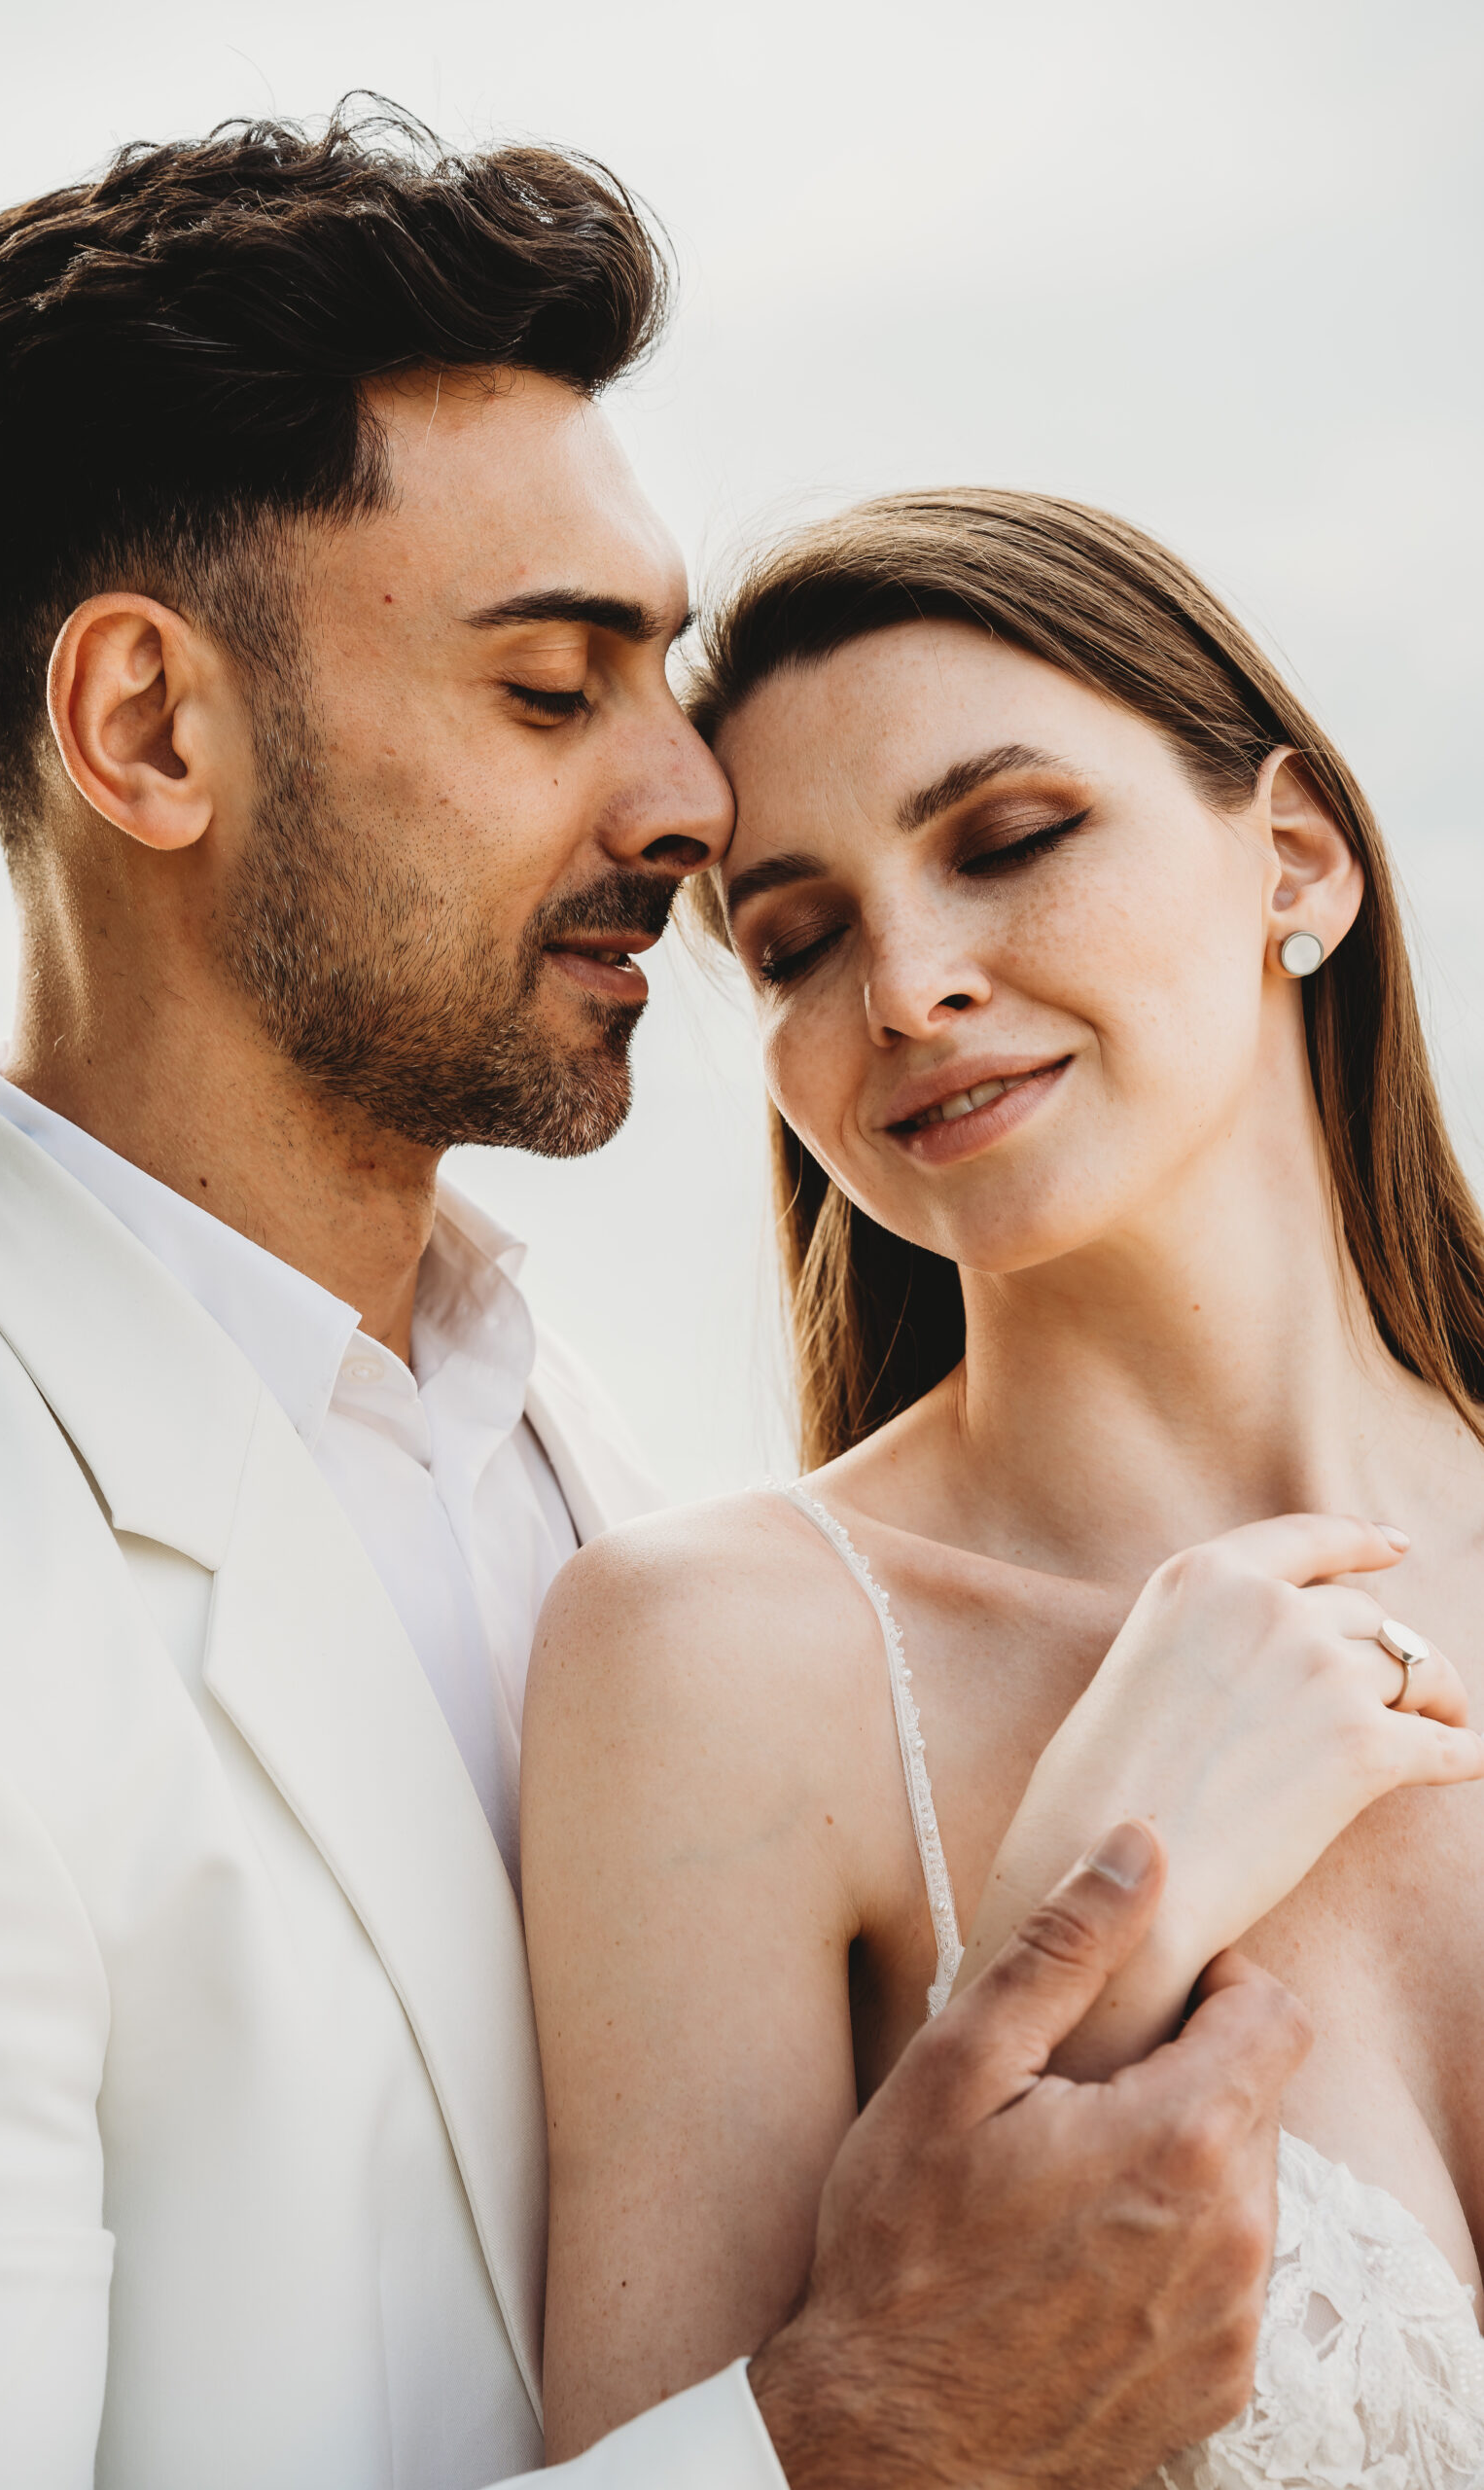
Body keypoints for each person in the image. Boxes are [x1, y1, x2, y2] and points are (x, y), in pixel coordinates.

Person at [0, 108, 1323, 2490]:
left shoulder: (581, 1458)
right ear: (147, 729)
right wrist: (859, 2428)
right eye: (550, 689)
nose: (691, 800)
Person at [524, 490, 1484, 2484]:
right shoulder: (719, 1665)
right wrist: (1082, 1938)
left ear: (1290, 860)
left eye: (1008, 837)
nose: (906, 982)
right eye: (794, 939)